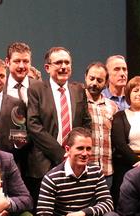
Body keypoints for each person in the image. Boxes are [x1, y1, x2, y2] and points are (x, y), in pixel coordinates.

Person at [26, 47, 91, 197]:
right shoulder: (36, 89)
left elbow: (86, 124)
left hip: (75, 164)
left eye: (67, 63)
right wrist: (62, 154)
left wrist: (77, 151)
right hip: (43, 163)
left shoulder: (79, 90)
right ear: (47, 68)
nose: (63, 67)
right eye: (59, 63)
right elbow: (34, 125)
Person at [84, 62, 119, 186]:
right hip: (84, 168)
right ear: (85, 77)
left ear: (106, 82)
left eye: (99, 80)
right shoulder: (78, 101)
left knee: (105, 205)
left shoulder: (113, 106)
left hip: (106, 170)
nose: (94, 83)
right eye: (91, 78)